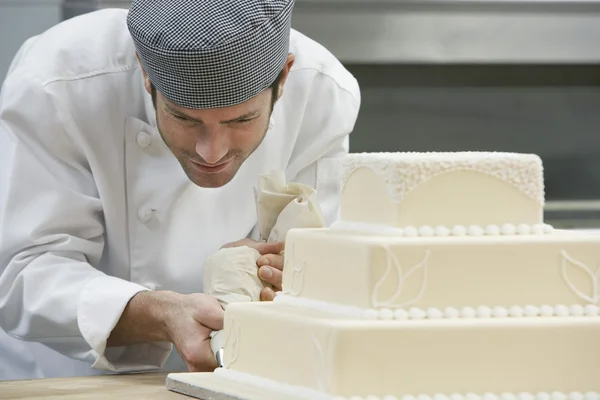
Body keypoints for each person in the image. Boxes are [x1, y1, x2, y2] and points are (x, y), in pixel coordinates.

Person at [0, 0, 360, 379]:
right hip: (66, 379)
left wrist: (291, 275)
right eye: (184, 117)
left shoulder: (321, 93)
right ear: (144, 72)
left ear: (283, 77)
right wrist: (162, 314)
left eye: (242, 118)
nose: (212, 151)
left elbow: (323, 263)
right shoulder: (60, 82)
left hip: (238, 377)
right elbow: (22, 273)